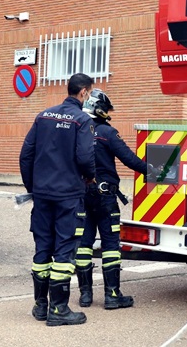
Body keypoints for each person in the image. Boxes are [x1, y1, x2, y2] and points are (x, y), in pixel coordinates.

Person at [19, 73, 96, 327]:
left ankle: (41, 306)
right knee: (64, 248)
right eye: (89, 93)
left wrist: (33, 186)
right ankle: (60, 309)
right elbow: (85, 157)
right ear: (83, 92)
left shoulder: (43, 116)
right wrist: (89, 177)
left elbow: (26, 154)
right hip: (68, 196)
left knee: (42, 247)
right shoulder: (82, 120)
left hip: (42, 195)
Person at [75, 89, 147, 310]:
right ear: (100, 110)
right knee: (110, 245)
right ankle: (112, 296)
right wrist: (157, 172)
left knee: (84, 245)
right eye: (106, 109)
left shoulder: (76, 133)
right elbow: (130, 160)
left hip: (82, 196)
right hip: (105, 198)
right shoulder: (107, 132)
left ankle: (85, 296)